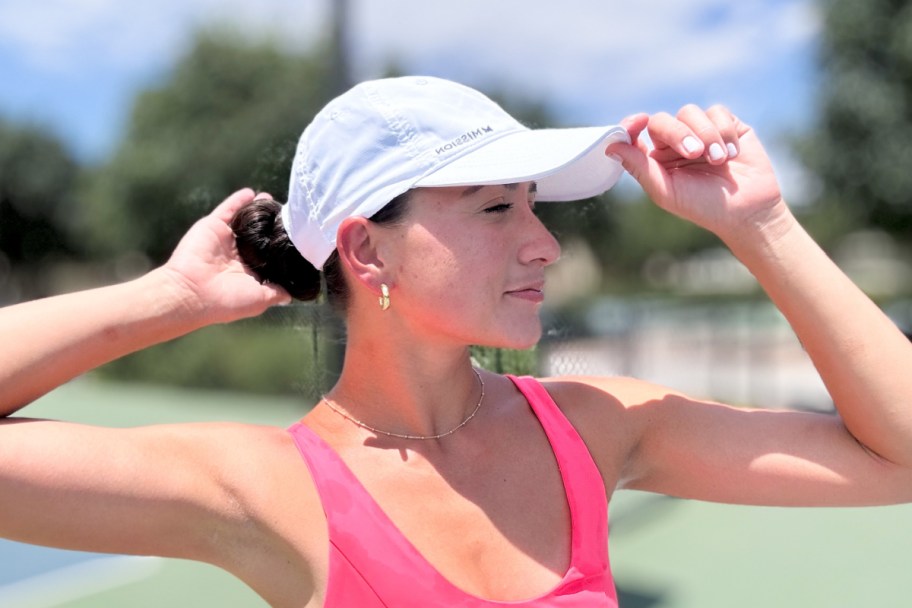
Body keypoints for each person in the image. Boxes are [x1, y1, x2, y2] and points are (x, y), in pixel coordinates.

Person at [1, 75, 911, 608]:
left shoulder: (599, 428)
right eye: (493, 207)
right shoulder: (264, 489)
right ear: (364, 248)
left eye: (535, 204)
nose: (544, 242)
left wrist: (765, 229)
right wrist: (168, 298)